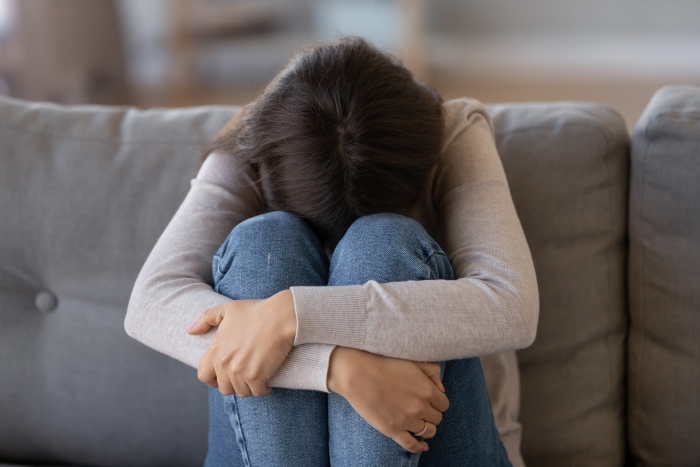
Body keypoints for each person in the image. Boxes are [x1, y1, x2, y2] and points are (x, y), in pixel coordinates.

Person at [125, 37, 538, 467]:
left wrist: (291, 315)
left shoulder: (450, 132)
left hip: (448, 448)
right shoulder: (257, 141)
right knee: (264, 245)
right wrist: (336, 369)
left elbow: (513, 307)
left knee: (381, 244)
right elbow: (150, 303)